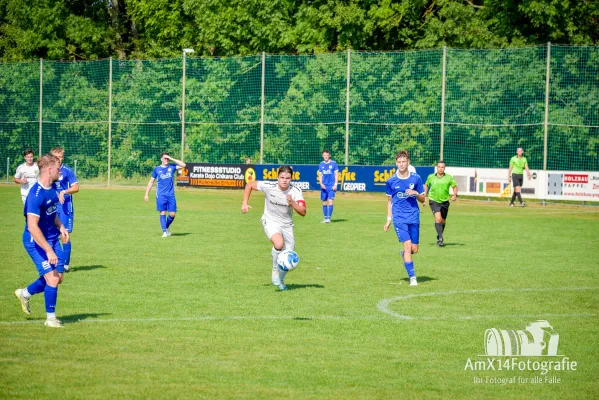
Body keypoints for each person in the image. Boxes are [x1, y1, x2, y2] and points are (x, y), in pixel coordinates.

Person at [14, 154, 70, 328]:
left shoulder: (53, 188)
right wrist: (49, 250)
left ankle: (25, 293)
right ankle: (51, 319)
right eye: (58, 168)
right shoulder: (35, 195)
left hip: (52, 237)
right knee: (52, 279)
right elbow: (32, 227)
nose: (60, 171)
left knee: (58, 278)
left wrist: (61, 227)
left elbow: (52, 214)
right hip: (35, 241)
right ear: (50, 170)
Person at [241, 166, 306, 290]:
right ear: (277, 178)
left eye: (287, 178)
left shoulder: (296, 191)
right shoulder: (269, 186)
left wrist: (292, 203)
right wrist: (244, 203)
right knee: (278, 243)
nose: (284, 180)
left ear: (291, 179)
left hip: (287, 225)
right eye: (282, 177)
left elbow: (303, 212)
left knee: (289, 255)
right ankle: (275, 270)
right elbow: (249, 184)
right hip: (270, 220)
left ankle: (280, 280)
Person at [384, 151, 425, 287]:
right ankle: (412, 277)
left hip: (414, 216)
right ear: (396, 163)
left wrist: (416, 193)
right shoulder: (391, 181)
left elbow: (423, 199)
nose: (402, 164)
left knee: (414, 249)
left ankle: (405, 254)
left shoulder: (416, 178)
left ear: (408, 162)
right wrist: (389, 219)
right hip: (399, 218)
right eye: (399, 162)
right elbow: (389, 201)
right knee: (407, 247)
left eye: (404, 161)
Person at [49, 147, 79, 274]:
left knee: (64, 235)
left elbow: (76, 187)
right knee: (50, 235)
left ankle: (65, 265)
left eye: (60, 157)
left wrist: (64, 192)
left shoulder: (67, 171)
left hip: (65, 208)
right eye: (56, 157)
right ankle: (53, 261)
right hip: (51, 208)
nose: (58, 160)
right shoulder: (49, 171)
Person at [144, 152, 186, 237]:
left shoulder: (172, 167)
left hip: (170, 195)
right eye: (165, 158)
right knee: (162, 212)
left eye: (167, 158)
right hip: (161, 195)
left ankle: (166, 227)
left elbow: (184, 165)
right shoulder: (157, 169)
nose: (166, 160)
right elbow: (151, 181)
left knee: (172, 214)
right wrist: (146, 194)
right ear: (161, 159)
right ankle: (164, 232)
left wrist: (172, 158)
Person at [424, 161, 458, 247]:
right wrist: (424, 195)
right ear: (437, 167)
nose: (440, 168)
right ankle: (440, 239)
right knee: (438, 219)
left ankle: (439, 234)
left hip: (445, 202)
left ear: (444, 168)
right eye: (439, 167)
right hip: (433, 200)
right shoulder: (431, 177)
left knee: (443, 221)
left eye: (442, 167)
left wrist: (454, 195)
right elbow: (426, 185)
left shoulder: (449, 178)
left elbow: (454, 187)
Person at [317, 150, 339, 223]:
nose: (326, 156)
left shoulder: (333, 163)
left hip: (331, 186)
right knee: (324, 201)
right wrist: (321, 184)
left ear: (329, 155)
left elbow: (336, 174)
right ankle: (325, 218)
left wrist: (335, 184)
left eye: (327, 155)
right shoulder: (321, 164)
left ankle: (329, 218)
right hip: (324, 186)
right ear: (322, 156)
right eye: (324, 155)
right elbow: (320, 175)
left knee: (330, 200)